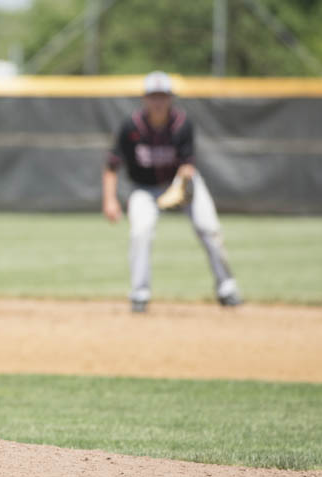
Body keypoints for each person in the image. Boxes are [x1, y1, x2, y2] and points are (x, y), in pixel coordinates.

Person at [101, 70, 243, 313]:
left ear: (170, 99)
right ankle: (139, 295)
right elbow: (112, 166)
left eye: (163, 96)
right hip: (144, 190)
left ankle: (227, 289)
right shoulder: (131, 127)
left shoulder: (182, 125)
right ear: (145, 98)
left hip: (181, 183)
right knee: (140, 232)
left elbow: (188, 165)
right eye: (154, 96)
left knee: (209, 228)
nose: (158, 101)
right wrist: (110, 200)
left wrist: (181, 189)